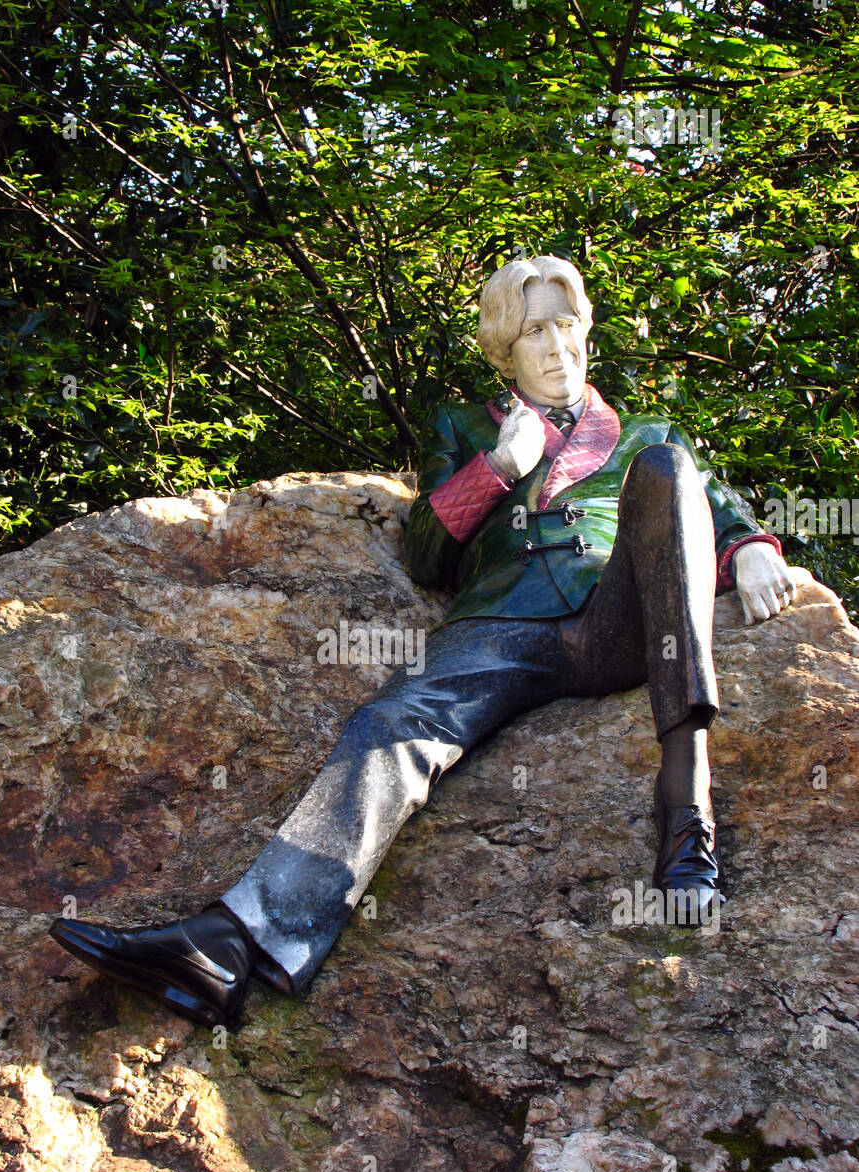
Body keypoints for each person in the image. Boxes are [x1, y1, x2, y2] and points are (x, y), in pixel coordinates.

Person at [50, 255, 796, 1029]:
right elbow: (427, 554)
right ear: (504, 351)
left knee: (667, 468)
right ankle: (231, 943)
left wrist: (746, 547)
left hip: (616, 619)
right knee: (390, 724)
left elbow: (705, 507)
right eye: (532, 330)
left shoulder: (647, 433)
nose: (553, 346)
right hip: (499, 625)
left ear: (587, 333)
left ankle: (686, 818)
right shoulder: (461, 426)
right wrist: (503, 463)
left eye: (565, 324)